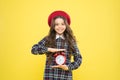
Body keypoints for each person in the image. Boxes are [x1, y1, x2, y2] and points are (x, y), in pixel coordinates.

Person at [31, 10, 82, 80]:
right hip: (50, 75)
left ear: (66, 25)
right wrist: (48, 49)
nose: (60, 27)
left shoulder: (71, 40)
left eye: (62, 24)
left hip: (65, 76)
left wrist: (68, 67)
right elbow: (33, 49)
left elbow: (78, 58)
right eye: (56, 24)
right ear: (53, 26)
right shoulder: (47, 39)